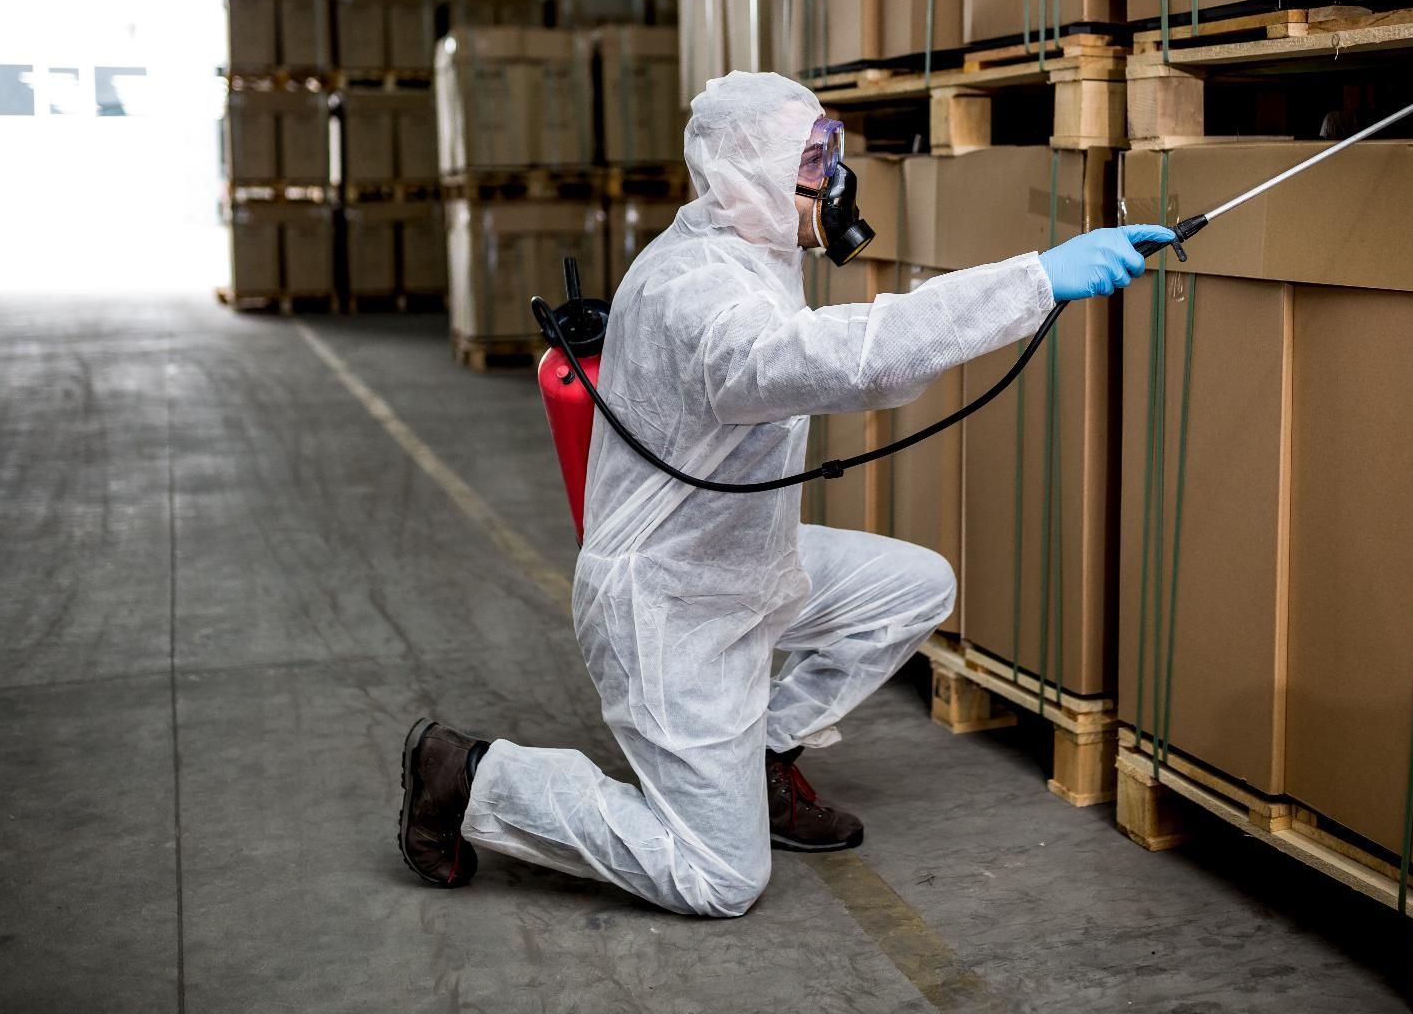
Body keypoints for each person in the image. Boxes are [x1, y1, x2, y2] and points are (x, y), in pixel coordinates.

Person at [398, 71, 1174, 916]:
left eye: (830, 150)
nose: (834, 177)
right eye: (811, 160)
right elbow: (844, 356)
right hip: (669, 606)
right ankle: (471, 777)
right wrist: (1034, 280)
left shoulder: (751, 246)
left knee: (916, 587)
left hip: (743, 562)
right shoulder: (696, 292)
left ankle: (758, 755)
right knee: (719, 879)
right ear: (748, 174)